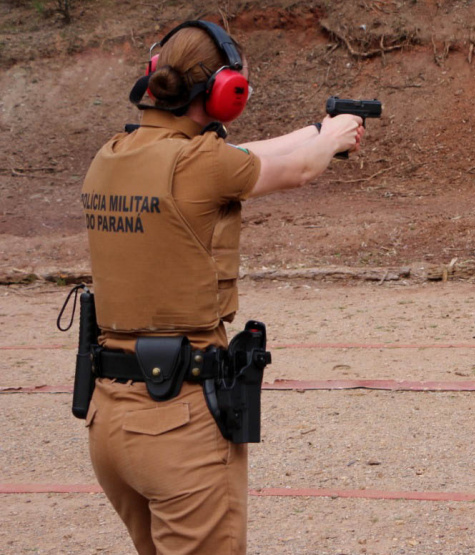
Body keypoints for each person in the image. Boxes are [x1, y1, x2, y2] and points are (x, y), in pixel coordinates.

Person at [79, 20, 364, 554]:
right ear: (223, 91)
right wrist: (333, 138)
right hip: (178, 423)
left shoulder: (113, 153)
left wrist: (316, 129)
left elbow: (245, 155)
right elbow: (298, 170)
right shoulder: (203, 163)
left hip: (109, 417)